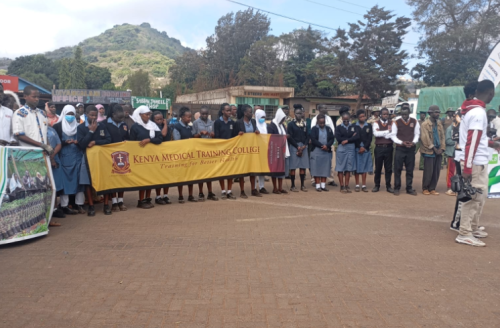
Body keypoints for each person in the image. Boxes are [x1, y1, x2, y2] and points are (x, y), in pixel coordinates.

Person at [456, 79, 500, 246]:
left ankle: (472, 227)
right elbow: (471, 142)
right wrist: (467, 167)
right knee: (473, 198)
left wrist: (492, 144)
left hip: (477, 162)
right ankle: (464, 233)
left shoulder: (474, 110)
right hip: (473, 164)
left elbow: (478, 139)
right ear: (490, 93)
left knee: (480, 197)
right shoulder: (478, 113)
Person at [77, 105, 111, 215]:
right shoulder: (81, 128)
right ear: (86, 115)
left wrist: (96, 142)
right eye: (91, 115)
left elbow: (108, 140)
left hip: (101, 158)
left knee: (105, 180)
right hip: (87, 158)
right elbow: (82, 144)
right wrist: (91, 132)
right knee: (88, 182)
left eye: (95, 115)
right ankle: (91, 206)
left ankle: (106, 205)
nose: (94, 117)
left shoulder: (102, 126)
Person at [53, 105, 85, 215]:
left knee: (79, 181)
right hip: (64, 158)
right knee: (65, 182)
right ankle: (64, 205)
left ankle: (79, 204)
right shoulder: (58, 127)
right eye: (68, 114)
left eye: (72, 114)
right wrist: (64, 143)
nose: (70, 117)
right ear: (63, 114)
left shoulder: (79, 127)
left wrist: (78, 143)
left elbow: (84, 141)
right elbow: (54, 142)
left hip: (78, 158)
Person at [130, 106, 163, 209]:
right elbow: (132, 142)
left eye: (149, 115)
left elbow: (159, 138)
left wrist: (149, 140)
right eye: (146, 115)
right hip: (140, 157)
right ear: (140, 115)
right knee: (142, 179)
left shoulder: (153, 125)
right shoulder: (135, 127)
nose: (148, 117)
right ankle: (141, 200)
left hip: (152, 157)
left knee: (150, 178)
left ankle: (148, 198)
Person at [103, 104, 130, 213]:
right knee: (113, 178)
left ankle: (121, 201)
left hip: (122, 156)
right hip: (109, 156)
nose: (121, 120)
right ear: (113, 115)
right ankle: (114, 202)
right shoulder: (104, 124)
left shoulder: (124, 125)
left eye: (122, 118)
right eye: (119, 118)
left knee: (122, 177)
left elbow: (128, 139)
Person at [12, 86, 53, 155]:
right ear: (25, 96)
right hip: (28, 154)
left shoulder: (42, 113)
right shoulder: (20, 113)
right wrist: (41, 145)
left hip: (44, 154)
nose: (37, 99)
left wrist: (48, 146)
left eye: (38, 97)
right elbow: (19, 135)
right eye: (34, 97)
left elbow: (44, 134)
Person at [390, 104, 420, 196]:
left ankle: (409, 188)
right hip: (400, 148)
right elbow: (393, 135)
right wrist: (401, 142)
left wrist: (413, 142)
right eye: (403, 114)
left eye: (406, 114)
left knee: (410, 169)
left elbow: (417, 134)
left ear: (409, 113)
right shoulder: (396, 122)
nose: (404, 116)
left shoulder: (415, 122)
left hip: (411, 149)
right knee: (397, 169)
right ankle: (397, 187)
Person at [234, 104, 261, 198]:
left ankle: (253, 189)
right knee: (242, 171)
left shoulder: (253, 122)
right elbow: (234, 136)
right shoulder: (238, 123)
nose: (252, 114)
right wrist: (238, 134)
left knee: (252, 170)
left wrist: (257, 132)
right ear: (245, 113)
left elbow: (256, 131)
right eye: (250, 112)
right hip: (242, 151)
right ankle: (242, 191)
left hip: (252, 150)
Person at [191, 106, 218, 201]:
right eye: (203, 114)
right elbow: (193, 136)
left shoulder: (212, 122)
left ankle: (210, 192)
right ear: (200, 113)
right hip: (200, 151)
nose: (205, 115)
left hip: (209, 151)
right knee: (201, 173)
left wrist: (213, 135)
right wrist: (200, 133)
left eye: (206, 114)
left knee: (209, 173)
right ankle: (201, 192)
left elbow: (215, 135)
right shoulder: (195, 123)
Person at [173, 107, 198, 203]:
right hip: (181, 155)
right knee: (181, 176)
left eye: (190, 117)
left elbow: (193, 137)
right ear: (182, 117)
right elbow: (177, 141)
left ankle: (190, 195)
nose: (189, 119)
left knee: (190, 175)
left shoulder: (190, 127)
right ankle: (180, 195)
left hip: (190, 155)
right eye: (188, 117)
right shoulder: (176, 127)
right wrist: (187, 142)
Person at [420, 105, 445, 195]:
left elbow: (442, 137)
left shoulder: (439, 124)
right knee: (428, 171)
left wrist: (442, 148)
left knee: (436, 171)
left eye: (438, 112)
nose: (438, 114)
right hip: (429, 150)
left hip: (439, 150)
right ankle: (425, 188)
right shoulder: (424, 124)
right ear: (430, 113)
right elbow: (425, 138)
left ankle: (432, 188)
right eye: (435, 112)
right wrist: (434, 148)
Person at [310, 104, 337, 187]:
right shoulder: (314, 119)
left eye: (326, 108)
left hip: (328, 146)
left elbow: (332, 131)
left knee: (329, 164)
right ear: (319, 109)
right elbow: (313, 135)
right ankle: (314, 181)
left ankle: (330, 179)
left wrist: (328, 145)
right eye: (323, 108)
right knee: (316, 164)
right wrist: (322, 146)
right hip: (317, 147)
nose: (325, 109)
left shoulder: (328, 118)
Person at [214, 103, 236, 199]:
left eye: (230, 110)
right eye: (227, 110)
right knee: (222, 171)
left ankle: (229, 190)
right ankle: (223, 191)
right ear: (223, 111)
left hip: (231, 151)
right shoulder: (217, 122)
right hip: (221, 150)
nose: (229, 112)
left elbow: (234, 136)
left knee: (230, 171)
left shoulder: (232, 123)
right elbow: (217, 136)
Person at [151, 111, 173, 205]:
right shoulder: (153, 127)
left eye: (161, 119)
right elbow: (163, 134)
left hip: (166, 153)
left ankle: (166, 195)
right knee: (159, 176)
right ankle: (158, 196)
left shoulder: (167, 126)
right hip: (157, 153)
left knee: (167, 175)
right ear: (153, 120)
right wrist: (165, 124)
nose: (160, 121)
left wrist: (166, 125)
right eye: (157, 119)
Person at [335, 107, 359, 193]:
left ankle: (347, 185)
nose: (346, 122)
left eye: (347, 120)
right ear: (342, 119)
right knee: (341, 167)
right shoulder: (338, 127)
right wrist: (351, 137)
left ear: (349, 119)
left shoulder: (353, 126)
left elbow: (357, 136)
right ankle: (342, 186)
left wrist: (347, 140)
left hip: (351, 148)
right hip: (342, 148)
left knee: (349, 168)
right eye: (344, 120)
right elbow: (338, 138)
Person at [287, 104, 310, 192]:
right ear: (294, 114)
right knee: (293, 167)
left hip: (303, 147)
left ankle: (302, 185)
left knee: (302, 166)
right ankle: (293, 186)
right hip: (294, 147)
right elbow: (290, 137)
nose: (299, 115)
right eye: (297, 113)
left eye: (300, 113)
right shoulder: (291, 124)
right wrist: (297, 146)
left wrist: (304, 145)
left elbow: (308, 136)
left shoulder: (304, 124)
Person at [268, 108, 290, 194]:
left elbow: (284, 135)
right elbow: (270, 137)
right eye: (282, 119)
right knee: (275, 170)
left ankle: (280, 188)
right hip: (275, 150)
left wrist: (286, 136)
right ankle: (275, 188)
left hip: (282, 150)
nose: (283, 121)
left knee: (281, 169)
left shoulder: (282, 125)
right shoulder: (272, 126)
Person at [372, 107, 394, 193]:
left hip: (389, 147)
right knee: (378, 168)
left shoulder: (392, 123)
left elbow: (393, 134)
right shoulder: (376, 123)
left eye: (387, 114)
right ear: (380, 115)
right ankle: (377, 185)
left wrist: (383, 133)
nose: (385, 115)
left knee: (388, 168)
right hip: (379, 147)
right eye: (384, 114)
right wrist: (388, 132)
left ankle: (388, 186)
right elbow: (376, 134)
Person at [354, 109, 373, 192]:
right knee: (357, 167)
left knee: (364, 167)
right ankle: (357, 185)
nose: (362, 118)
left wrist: (364, 147)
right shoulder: (354, 126)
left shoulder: (369, 125)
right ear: (358, 117)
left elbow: (370, 138)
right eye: (360, 116)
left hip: (365, 148)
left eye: (363, 116)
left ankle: (364, 185)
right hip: (357, 149)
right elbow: (353, 138)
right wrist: (359, 147)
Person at [445, 111, 461, 196]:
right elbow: (447, 140)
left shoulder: (461, 128)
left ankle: (456, 187)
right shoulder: (449, 129)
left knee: (458, 171)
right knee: (450, 171)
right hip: (451, 153)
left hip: (459, 153)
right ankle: (450, 187)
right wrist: (456, 142)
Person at [254, 109, 270, 194]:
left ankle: (262, 186)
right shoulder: (254, 125)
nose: (263, 119)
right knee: (255, 168)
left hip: (264, 149)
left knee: (262, 169)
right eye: (261, 117)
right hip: (256, 150)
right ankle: (254, 187)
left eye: (264, 117)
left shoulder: (265, 125)